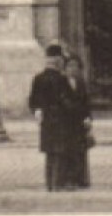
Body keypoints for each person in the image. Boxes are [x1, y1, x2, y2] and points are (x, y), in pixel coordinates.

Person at [27, 43, 76, 191]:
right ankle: (58, 183)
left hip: (46, 119)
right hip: (60, 118)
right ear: (57, 60)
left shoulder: (38, 78)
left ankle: (49, 183)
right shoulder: (61, 79)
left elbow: (32, 101)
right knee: (61, 152)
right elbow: (67, 100)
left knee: (49, 153)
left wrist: (37, 112)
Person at [62, 53, 94, 189]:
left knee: (81, 152)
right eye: (70, 66)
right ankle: (69, 179)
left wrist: (88, 118)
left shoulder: (81, 83)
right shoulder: (61, 83)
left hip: (80, 122)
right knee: (68, 152)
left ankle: (81, 179)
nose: (73, 69)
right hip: (67, 123)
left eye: (75, 66)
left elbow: (86, 103)